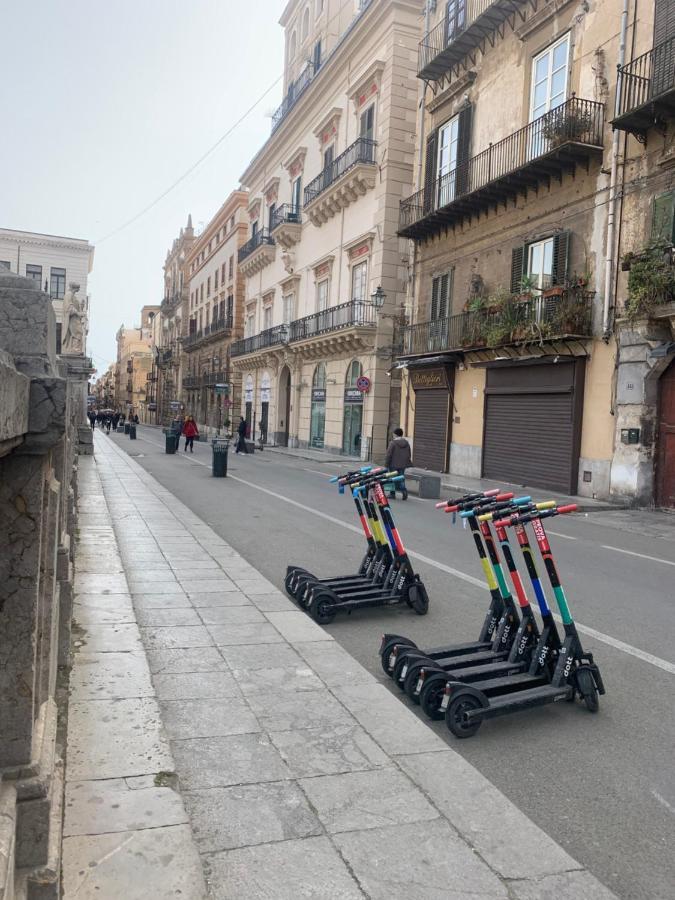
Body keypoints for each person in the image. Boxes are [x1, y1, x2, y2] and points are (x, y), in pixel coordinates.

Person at [385, 427, 412, 500]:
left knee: (392, 478)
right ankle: (404, 491)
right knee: (401, 478)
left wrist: (386, 464)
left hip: (393, 464)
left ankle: (392, 494)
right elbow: (409, 453)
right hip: (402, 465)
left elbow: (388, 454)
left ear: (395, 434)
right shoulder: (406, 443)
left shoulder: (393, 443)